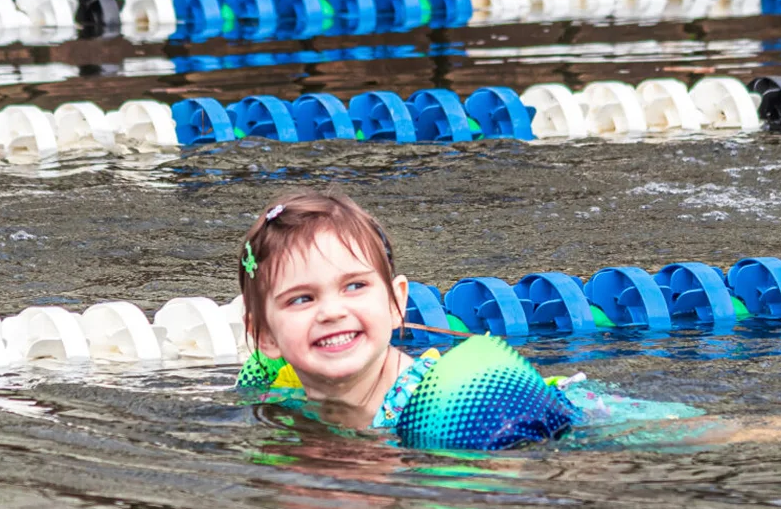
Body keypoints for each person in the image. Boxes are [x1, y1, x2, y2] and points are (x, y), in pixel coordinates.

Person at [233, 189, 709, 450]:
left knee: (713, 434)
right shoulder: (279, 379)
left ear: (397, 303)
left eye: (354, 286)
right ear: (266, 336)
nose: (332, 311)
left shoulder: (443, 407)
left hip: (584, 414)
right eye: (301, 299)